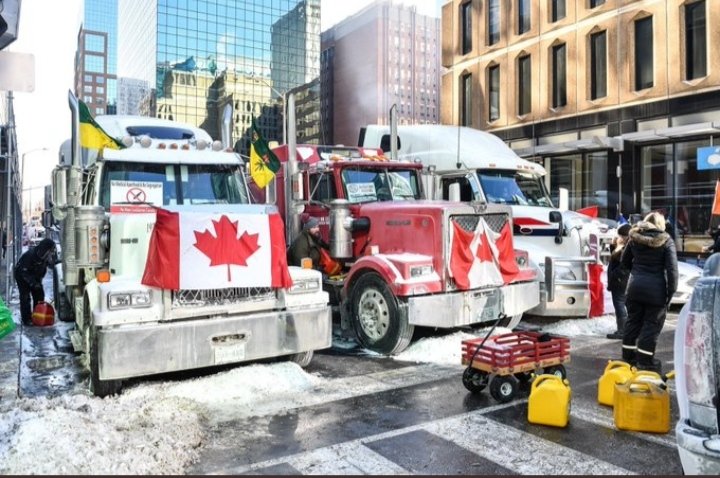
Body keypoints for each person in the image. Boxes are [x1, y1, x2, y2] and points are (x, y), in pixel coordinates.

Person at [620, 212, 678, 373]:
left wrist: (638, 275)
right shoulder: (666, 241)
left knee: (633, 322)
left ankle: (628, 357)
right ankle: (645, 362)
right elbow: (672, 271)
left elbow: (624, 262)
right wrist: (670, 294)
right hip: (656, 292)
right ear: (661, 225)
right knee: (651, 326)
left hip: (634, 289)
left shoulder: (634, 238)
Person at [14, 238, 57, 326]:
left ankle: (37, 314)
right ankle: (26, 319)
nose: (52, 253)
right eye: (51, 250)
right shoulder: (30, 255)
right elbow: (23, 272)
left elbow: (52, 264)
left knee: (39, 294)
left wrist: (56, 262)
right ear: (46, 249)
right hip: (22, 275)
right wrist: (33, 283)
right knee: (25, 297)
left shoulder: (46, 256)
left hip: (35, 275)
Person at [606, 223, 631, 340]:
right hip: (621, 280)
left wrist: (615, 275)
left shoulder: (627, 248)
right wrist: (614, 245)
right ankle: (624, 330)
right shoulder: (625, 246)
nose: (619, 237)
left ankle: (622, 330)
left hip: (620, 281)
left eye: (621, 235)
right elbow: (614, 258)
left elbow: (622, 264)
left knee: (619, 305)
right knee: (623, 305)